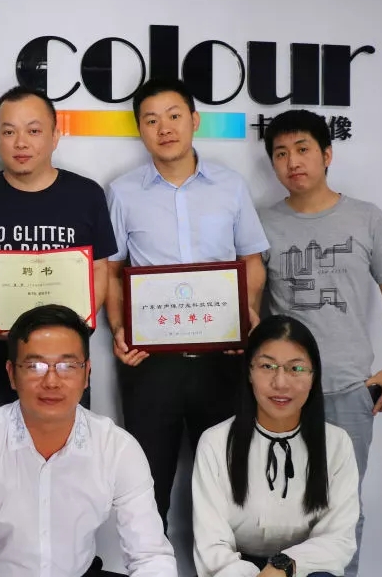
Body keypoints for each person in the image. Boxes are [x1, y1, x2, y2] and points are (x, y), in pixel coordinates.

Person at [105, 77, 270, 531]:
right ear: (140, 129)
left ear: (194, 120)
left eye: (174, 116)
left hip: (223, 359)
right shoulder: (122, 191)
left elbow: (252, 262)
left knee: (228, 489)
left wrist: (246, 314)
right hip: (150, 363)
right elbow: (112, 272)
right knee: (146, 488)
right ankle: (149, 562)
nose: (165, 128)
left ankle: (227, 564)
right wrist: (119, 328)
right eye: (151, 120)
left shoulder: (231, 186)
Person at [259, 109, 382, 576]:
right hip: (282, 392)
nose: (292, 162)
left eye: (303, 149)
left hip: (348, 388)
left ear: (327, 154)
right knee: (280, 510)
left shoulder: (366, 218)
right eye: (280, 153)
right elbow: (246, 303)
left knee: (342, 512)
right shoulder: (260, 223)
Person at [0, 304, 177, 576]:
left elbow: (150, 555)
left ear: (86, 373)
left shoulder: (116, 448)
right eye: (35, 366)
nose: (51, 381)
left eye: (67, 366)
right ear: (11, 374)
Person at [0, 86, 117, 416]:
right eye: (9, 132)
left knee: (67, 443)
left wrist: (75, 326)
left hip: (65, 362)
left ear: (55, 136)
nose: (21, 143)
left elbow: (99, 270)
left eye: (33, 131)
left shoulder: (86, 195)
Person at [192, 315, 359, 577]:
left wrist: (284, 566)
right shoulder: (215, 443)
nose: (280, 383)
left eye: (296, 368)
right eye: (267, 366)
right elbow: (212, 546)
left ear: (314, 376)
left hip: (304, 568)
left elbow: (338, 538)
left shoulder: (337, 444)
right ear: (249, 372)